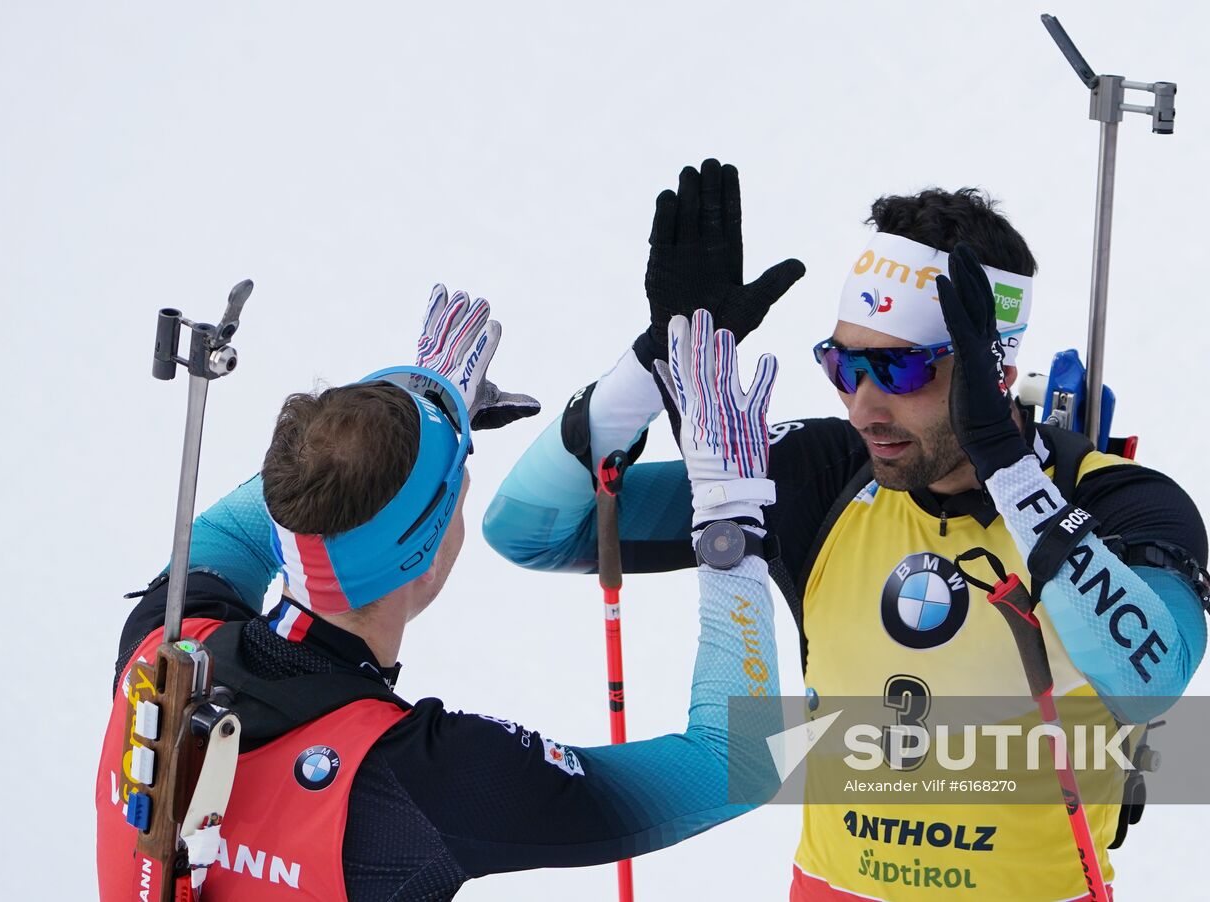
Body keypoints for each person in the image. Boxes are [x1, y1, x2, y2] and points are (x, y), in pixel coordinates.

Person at [482, 159, 1210, 901]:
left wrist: (1013, 477)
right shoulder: (825, 475)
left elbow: (1149, 685)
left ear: (992, 369)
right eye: (842, 365)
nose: (863, 406)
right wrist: (655, 361)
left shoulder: (1116, 502)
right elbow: (534, 531)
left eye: (898, 372)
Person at [95, 285, 786, 900]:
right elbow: (742, 761)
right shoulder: (431, 782)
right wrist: (732, 525)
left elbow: (252, 524)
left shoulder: (164, 643)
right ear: (424, 558)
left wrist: (414, 411)